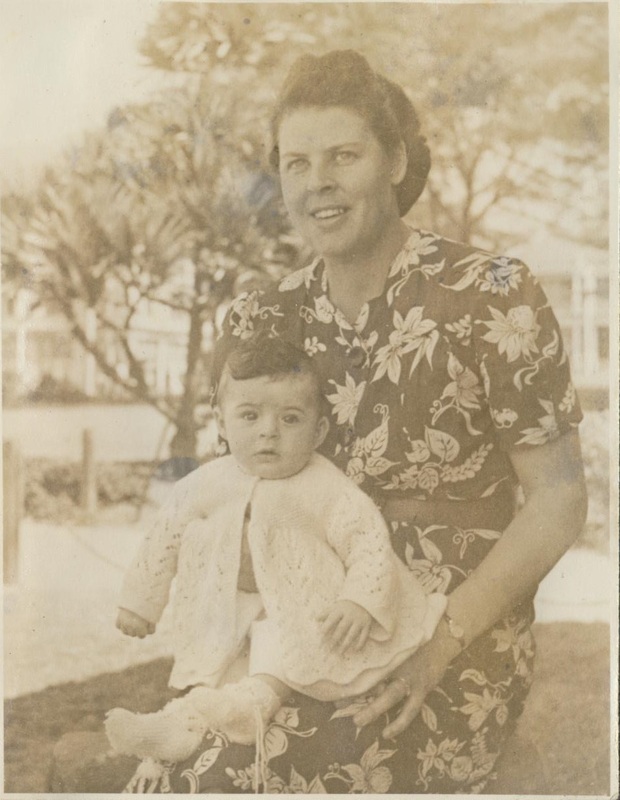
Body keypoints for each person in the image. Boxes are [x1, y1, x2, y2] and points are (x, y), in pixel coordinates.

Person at [52, 48, 587, 794]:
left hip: (449, 639)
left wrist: (439, 645)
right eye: (296, 163)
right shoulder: (263, 317)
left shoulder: (493, 295)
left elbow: (559, 497)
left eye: (343, 156)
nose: (318, 183)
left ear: (396, 161)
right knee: (192, 765)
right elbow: (234, 497)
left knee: (230, 776)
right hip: (293, 634)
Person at [104, 333, 446, 772]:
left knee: (279, 651)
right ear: (222, 423)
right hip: (229, 607)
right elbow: (163, 537)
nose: (269, 431)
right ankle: (181, 725)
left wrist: (359, 600)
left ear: (318, 431)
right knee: (217, 664)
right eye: (250, 416)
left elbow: (368, 542)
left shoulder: (324, 486)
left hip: (301, 610)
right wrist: (140, 603)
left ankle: (249, 706)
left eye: (290, 419)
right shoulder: (204, 484)